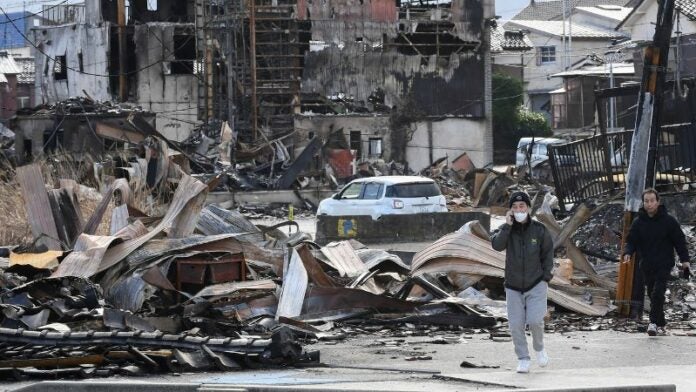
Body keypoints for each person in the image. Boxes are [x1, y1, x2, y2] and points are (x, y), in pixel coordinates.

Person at [491, 191, 553, 373]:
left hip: (536, 283)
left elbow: (548, 254)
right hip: (513, 285)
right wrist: (507, 226)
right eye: (515, 207)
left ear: (528, 208)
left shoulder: (539, 230)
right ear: (510, 210)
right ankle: (523, 358)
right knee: (516, 325)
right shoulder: (505, 229)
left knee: (535, 321)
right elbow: (496, 245)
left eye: (522, 206)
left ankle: (539, 348)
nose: (519, 210)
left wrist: (545, 277)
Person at [623, 188, 690, 336]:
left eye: (652, 201)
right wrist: (627, 253)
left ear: (658, 202)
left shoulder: (669, 221)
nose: (649, 204)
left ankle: (652, 323)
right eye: (646, 201)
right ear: (643, 203)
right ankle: (661, 323)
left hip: (664, 264)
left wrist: (685, 260)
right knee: (652, 292)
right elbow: (631, 240)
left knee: (658, 293)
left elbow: (679, 241)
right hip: (647, 264)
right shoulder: (639, 222)